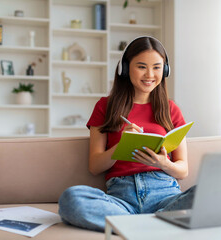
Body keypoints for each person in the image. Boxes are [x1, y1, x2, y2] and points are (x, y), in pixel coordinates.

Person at [58, 36, 195, 232]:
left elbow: (183, 169)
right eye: (141, 67)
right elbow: (95, 166)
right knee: (71, 199)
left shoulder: (170, 109)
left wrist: (163, 163)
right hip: (122, 200)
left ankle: (133, 226)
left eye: (157, 67)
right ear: (125, 68)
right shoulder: (105, 107)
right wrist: (121, 144)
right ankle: (154, 225)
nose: (150, 74)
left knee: (209, 193)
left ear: (165, 70)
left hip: (164, 195)